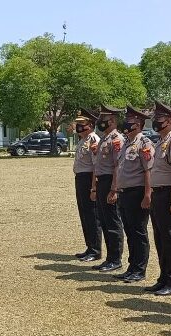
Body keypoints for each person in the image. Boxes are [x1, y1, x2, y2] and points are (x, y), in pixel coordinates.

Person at [144, 101, 171, 296]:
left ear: (168, 121)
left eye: (158, 119)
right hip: (158, 193)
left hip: (168, 194)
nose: (155, 122)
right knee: (159, 238)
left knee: (170, 238)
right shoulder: (160, 141)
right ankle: (164, 277)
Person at [113, 106, 154, 283]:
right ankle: (132, 266)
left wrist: (147, 195)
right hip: (125, 193)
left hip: (137, 193)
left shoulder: (144, 143)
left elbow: (148, 171)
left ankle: (139, 269)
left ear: (138, 124)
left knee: (138, 232)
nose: (126, 124)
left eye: (130, 121)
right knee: (129, 231)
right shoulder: (127, 143)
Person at [90, 105, 125, 272]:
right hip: (102, 181)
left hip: (111, 181)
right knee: (104, 221)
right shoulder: (105, 138)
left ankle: (115, 259)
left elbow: (118, 165)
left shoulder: (117, 139)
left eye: (102, 120)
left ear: (111, 121)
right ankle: (110, 257)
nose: (99, 123)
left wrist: (114, 189)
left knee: (112, 222)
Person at [73, 108, 103, 262]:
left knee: (92, 215)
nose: (78, 126)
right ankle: (90, 247)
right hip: (80, 178)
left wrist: (93, 187)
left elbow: (95, 167)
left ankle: (96, 250)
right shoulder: (83, 140)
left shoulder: (94, 140)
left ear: (90, 125)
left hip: (88, 179)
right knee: (84, 214)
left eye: (81, 123)